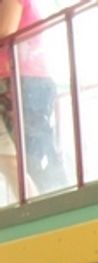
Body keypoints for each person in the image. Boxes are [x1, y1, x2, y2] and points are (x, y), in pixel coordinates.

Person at [0, 0, 69, 195]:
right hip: (11, 83)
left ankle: (62, 204)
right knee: (8, 160)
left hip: (23, 82)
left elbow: (4, 30)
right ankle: (35, 205)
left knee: (34, 159)